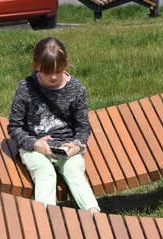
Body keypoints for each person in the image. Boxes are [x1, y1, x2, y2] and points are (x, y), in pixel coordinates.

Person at [7, 37, 100, 212]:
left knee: (74, 173)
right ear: (36, 66)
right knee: (45, 173)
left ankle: (94, 214)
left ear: (67, 64)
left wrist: (77, 145)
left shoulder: (77, 89)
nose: (54, 76)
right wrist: (34, 143)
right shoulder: (25, 87)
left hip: (66, 147)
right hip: (34, 146)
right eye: (47, 72)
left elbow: (82, 127)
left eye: (58, 70)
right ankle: (46, 219)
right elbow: (14, 127)